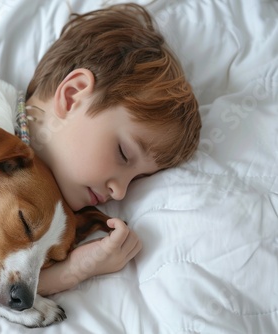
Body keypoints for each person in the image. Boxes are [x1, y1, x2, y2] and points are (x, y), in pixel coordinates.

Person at [26, 3, 201, 295]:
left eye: (138, 179)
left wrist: (78, 267)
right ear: (72, 96)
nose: (119, 193)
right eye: (123, 153)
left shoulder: (59, 215)